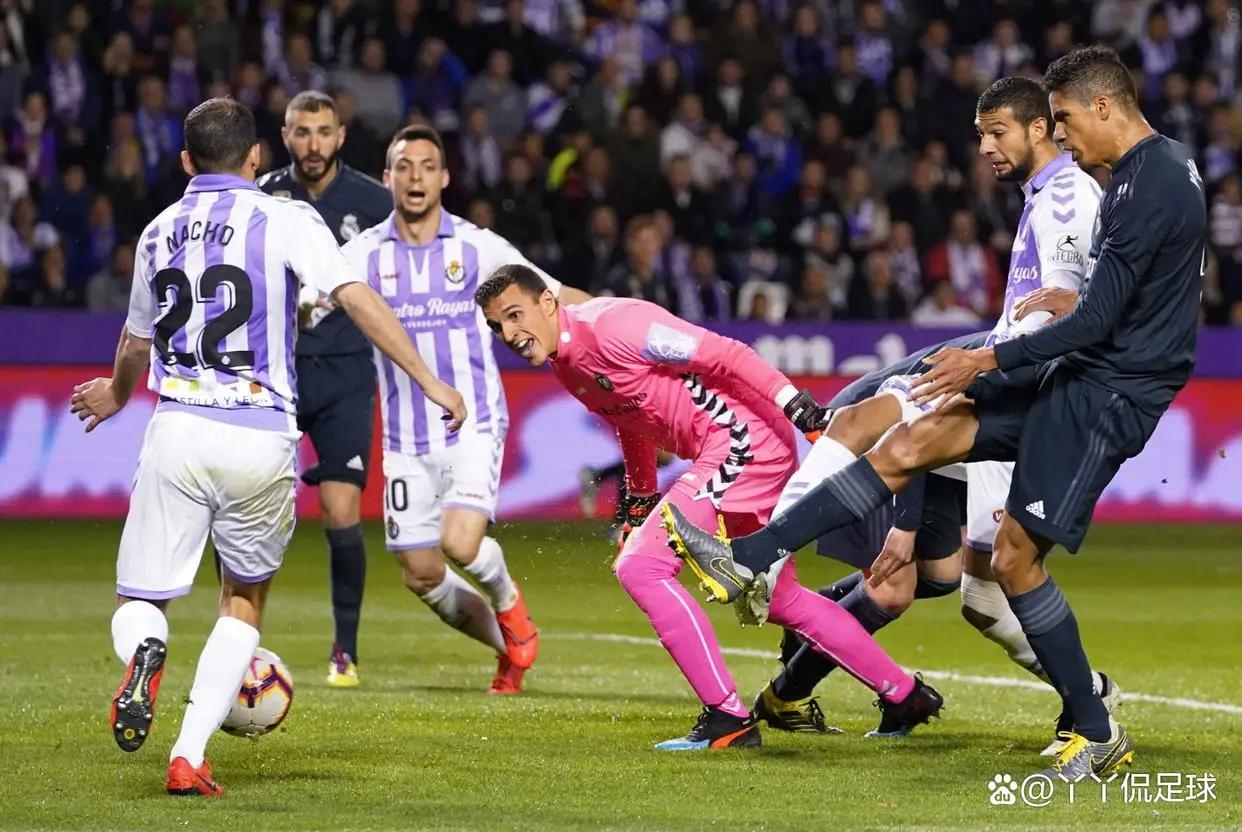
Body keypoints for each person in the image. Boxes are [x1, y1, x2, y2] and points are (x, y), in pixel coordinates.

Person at [663, 48, 1208, 779]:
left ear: (1103, 107)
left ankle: (1094, 723)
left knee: (1010, 564)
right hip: (1077, 370)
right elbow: (1127, 291)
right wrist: (1071, 309)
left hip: (1107, 393)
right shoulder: (1153, 170)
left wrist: (988, 357)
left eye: (1065, 120)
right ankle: (752, 556)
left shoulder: (1140, 184)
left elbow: (1102, 319)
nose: (1063, 135)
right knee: (911, 441)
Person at [70, 98, 465, 797]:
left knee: (138, 599)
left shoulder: (158, 231)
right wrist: (428, 379)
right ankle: (188, 757)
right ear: (257, 156)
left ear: (186, 160)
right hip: (259, 434)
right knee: (243, 600)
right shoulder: (285, 218)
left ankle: (147, 651)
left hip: (178, 427)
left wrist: (118, 394)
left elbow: (135, 341)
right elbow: (356, 298)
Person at [761, 78, 1119, 754]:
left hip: (1019, 398)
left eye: (996, 132)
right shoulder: (1045, 199)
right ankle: (784, 645)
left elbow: (1068, 313)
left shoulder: (1066, 199)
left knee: (957, 583)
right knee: (916, 583)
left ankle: (1090, 702)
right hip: (995, 397)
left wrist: (1049, 338)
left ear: (1038, 128)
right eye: (980, 134)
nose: (983, 147)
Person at [476, 266, 945, 750]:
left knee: (641, 567)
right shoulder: (566, 362)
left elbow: (727, 353)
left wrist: (795, 403)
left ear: (547, 302)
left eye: (515, 316)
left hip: (742, 443)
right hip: (737, 446)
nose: (509, 334)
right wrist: (640, 501)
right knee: (781, 599)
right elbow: (629, 417)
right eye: (496, 326)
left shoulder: (615, 325)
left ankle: (728, 718)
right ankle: (904, 696)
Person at [343, 124, 589, 695]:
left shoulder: (478, 248)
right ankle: (509, 648)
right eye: (405, 167)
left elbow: (552, 295)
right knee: (421, 573)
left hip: (472, 422)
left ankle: (508, 601)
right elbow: (307, 296)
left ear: (445, 178)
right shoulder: (361, 254)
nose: (416, 177)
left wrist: (619, 321)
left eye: (428, 167)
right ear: (387, 178)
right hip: (404, 436)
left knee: (459, 542)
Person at [255, 90, 392, 688]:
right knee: (251, 512)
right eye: (302, 132)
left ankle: (345, 651)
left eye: (324, 132)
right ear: (285, 136)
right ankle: (240, 642)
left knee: (340, 509)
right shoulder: (261, 198)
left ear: (341, 136)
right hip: (275, 374)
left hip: (345, 373)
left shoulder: (374, 202)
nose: (314, 144)